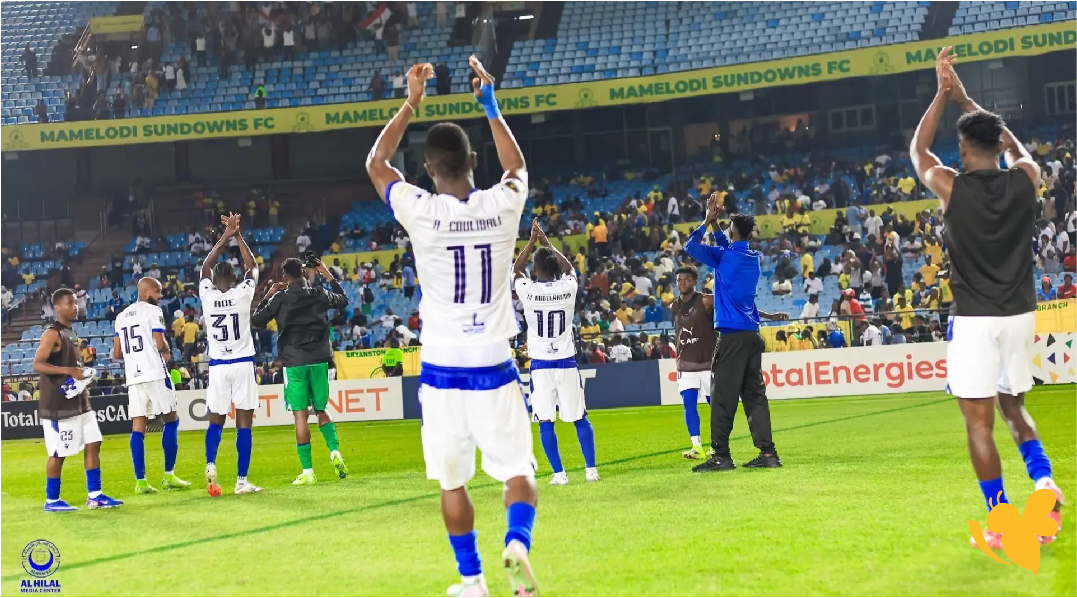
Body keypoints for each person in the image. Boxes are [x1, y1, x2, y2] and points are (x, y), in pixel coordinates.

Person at [365, 58, 539, 597]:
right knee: (517, 471)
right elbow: (517, 169)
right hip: (493, 359)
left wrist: (412, 100)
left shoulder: (420, 209)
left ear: (429, 170)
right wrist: (489, 104)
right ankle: (517, 541)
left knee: (452, 480)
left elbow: (375, 162)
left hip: (441, 367)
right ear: (471, 161)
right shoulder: (501, 204)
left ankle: (472, 581)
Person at [910, 47, 1063, 548]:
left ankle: (1000, 521)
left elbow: (918, 152)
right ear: (998, 141)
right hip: (1019, 314)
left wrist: (943, 95)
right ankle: (1044, 484)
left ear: (963, 148)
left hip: (975, 320)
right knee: (1013, 407)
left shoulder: (953, 187)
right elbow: (1021, 155)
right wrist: (970, 102)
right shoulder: (1026, 180)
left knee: (978, 423)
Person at [684, 195, 788, 473]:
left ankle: (721, 456)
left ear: (733, 232)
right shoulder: (752, 257)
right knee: (755, 396)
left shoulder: (724, 255)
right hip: (753, 336)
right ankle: (768, 453)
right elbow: (729, 246)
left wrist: (706, 221)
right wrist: (718, 224)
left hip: (731, 337)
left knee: (722, 397)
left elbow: (690, 246)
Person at [251, 257, 350, 485]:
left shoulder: (280, 298)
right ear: (304, 273)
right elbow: (343, 300)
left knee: (300, 415)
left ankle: (308, 472)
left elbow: (256, 320)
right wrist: (326, 272)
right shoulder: (319, 293)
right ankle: (334, 451)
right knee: (322, 409)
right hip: (318, 359)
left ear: (285, 277)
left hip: (294, 362)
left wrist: (269, 294)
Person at [514, 221, 598, 486]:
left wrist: (531, 242)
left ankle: (559, 474)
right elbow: (570, 269)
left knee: (545, 421)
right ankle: (591, 470)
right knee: (580, 418)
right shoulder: (567, 288)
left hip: (540, 366)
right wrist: (547, 243)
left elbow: (516, 269)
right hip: (566, 362)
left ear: (536, 270)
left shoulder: (528, 291)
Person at [33, 288, 123, 511]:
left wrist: (82, 376)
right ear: (57, 307)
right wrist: (70, 371)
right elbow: (38, 364)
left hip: (80, 403)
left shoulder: (70, 332)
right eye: (70, 303)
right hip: (58, 406)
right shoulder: (52, 333)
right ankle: (52, 500)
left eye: (76, 303)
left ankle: (95, 495)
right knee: (58, 453)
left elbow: (73, 368)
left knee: (94, 442)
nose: (75, 306)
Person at [198, 214, 262, 497]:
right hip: (242, 363)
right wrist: (237, 235)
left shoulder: (208, 296)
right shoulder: (242, 295)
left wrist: (224, 236)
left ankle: (211, 462)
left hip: (218, 366)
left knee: (215, 421)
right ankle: (241, 480)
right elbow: (253, 267)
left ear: (214, 280)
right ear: (234, 279)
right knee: (244, 422)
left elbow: (204, 266)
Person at [113, 277, 190, 494]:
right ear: (145, 292)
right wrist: (166, 349)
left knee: (138, 428)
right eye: (157, 291)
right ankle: (169, 475)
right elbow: (159, 342)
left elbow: (117, 353)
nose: (160, 295)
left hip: (134, 377)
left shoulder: (121, 316)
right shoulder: (153, 312)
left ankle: (141, 482)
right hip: (155, 373)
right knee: (171, 421)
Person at [670, 265, 716, 460]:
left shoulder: (706, 300)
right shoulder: (674, 305)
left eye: (686, 280)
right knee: (689, 405)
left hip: (708, 362)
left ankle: (717, 445)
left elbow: (734, 305)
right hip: (686, 364)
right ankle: (696, 446)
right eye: (679, 280)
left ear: (695, 282)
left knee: (715, 405)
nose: (682, 283)